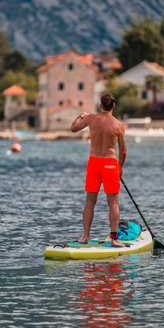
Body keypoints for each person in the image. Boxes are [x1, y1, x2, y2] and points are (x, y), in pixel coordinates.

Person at [71, 93, 127, 247]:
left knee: (90, 201)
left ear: (100, 105)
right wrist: (120, 167)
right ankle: (114, 239)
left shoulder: (90, 119)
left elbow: (73, 128)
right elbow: (123, 151)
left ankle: (85, 237)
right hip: (110, 164)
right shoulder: (119, 125)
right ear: (114, 106)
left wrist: (81, 115)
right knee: (113, 203)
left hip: (94, 163)